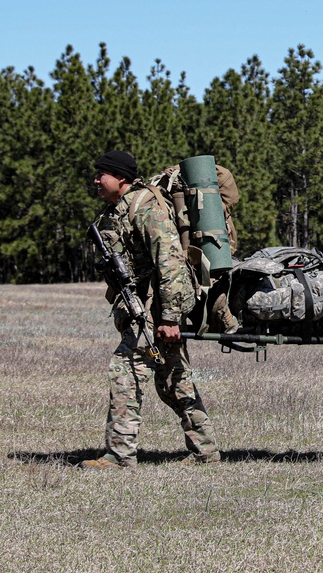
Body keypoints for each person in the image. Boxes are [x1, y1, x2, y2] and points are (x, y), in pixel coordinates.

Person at [80, 150, 220, 469]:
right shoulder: (117, 210)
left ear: (122, 178)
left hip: (154, 316)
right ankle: (206, 450)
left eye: (102, 174)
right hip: (144, 314)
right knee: (172, 379)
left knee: (125, 370)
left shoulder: (147, 207)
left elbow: (169, 261)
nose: (96, 180)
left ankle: (119, 455)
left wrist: (170, 317)